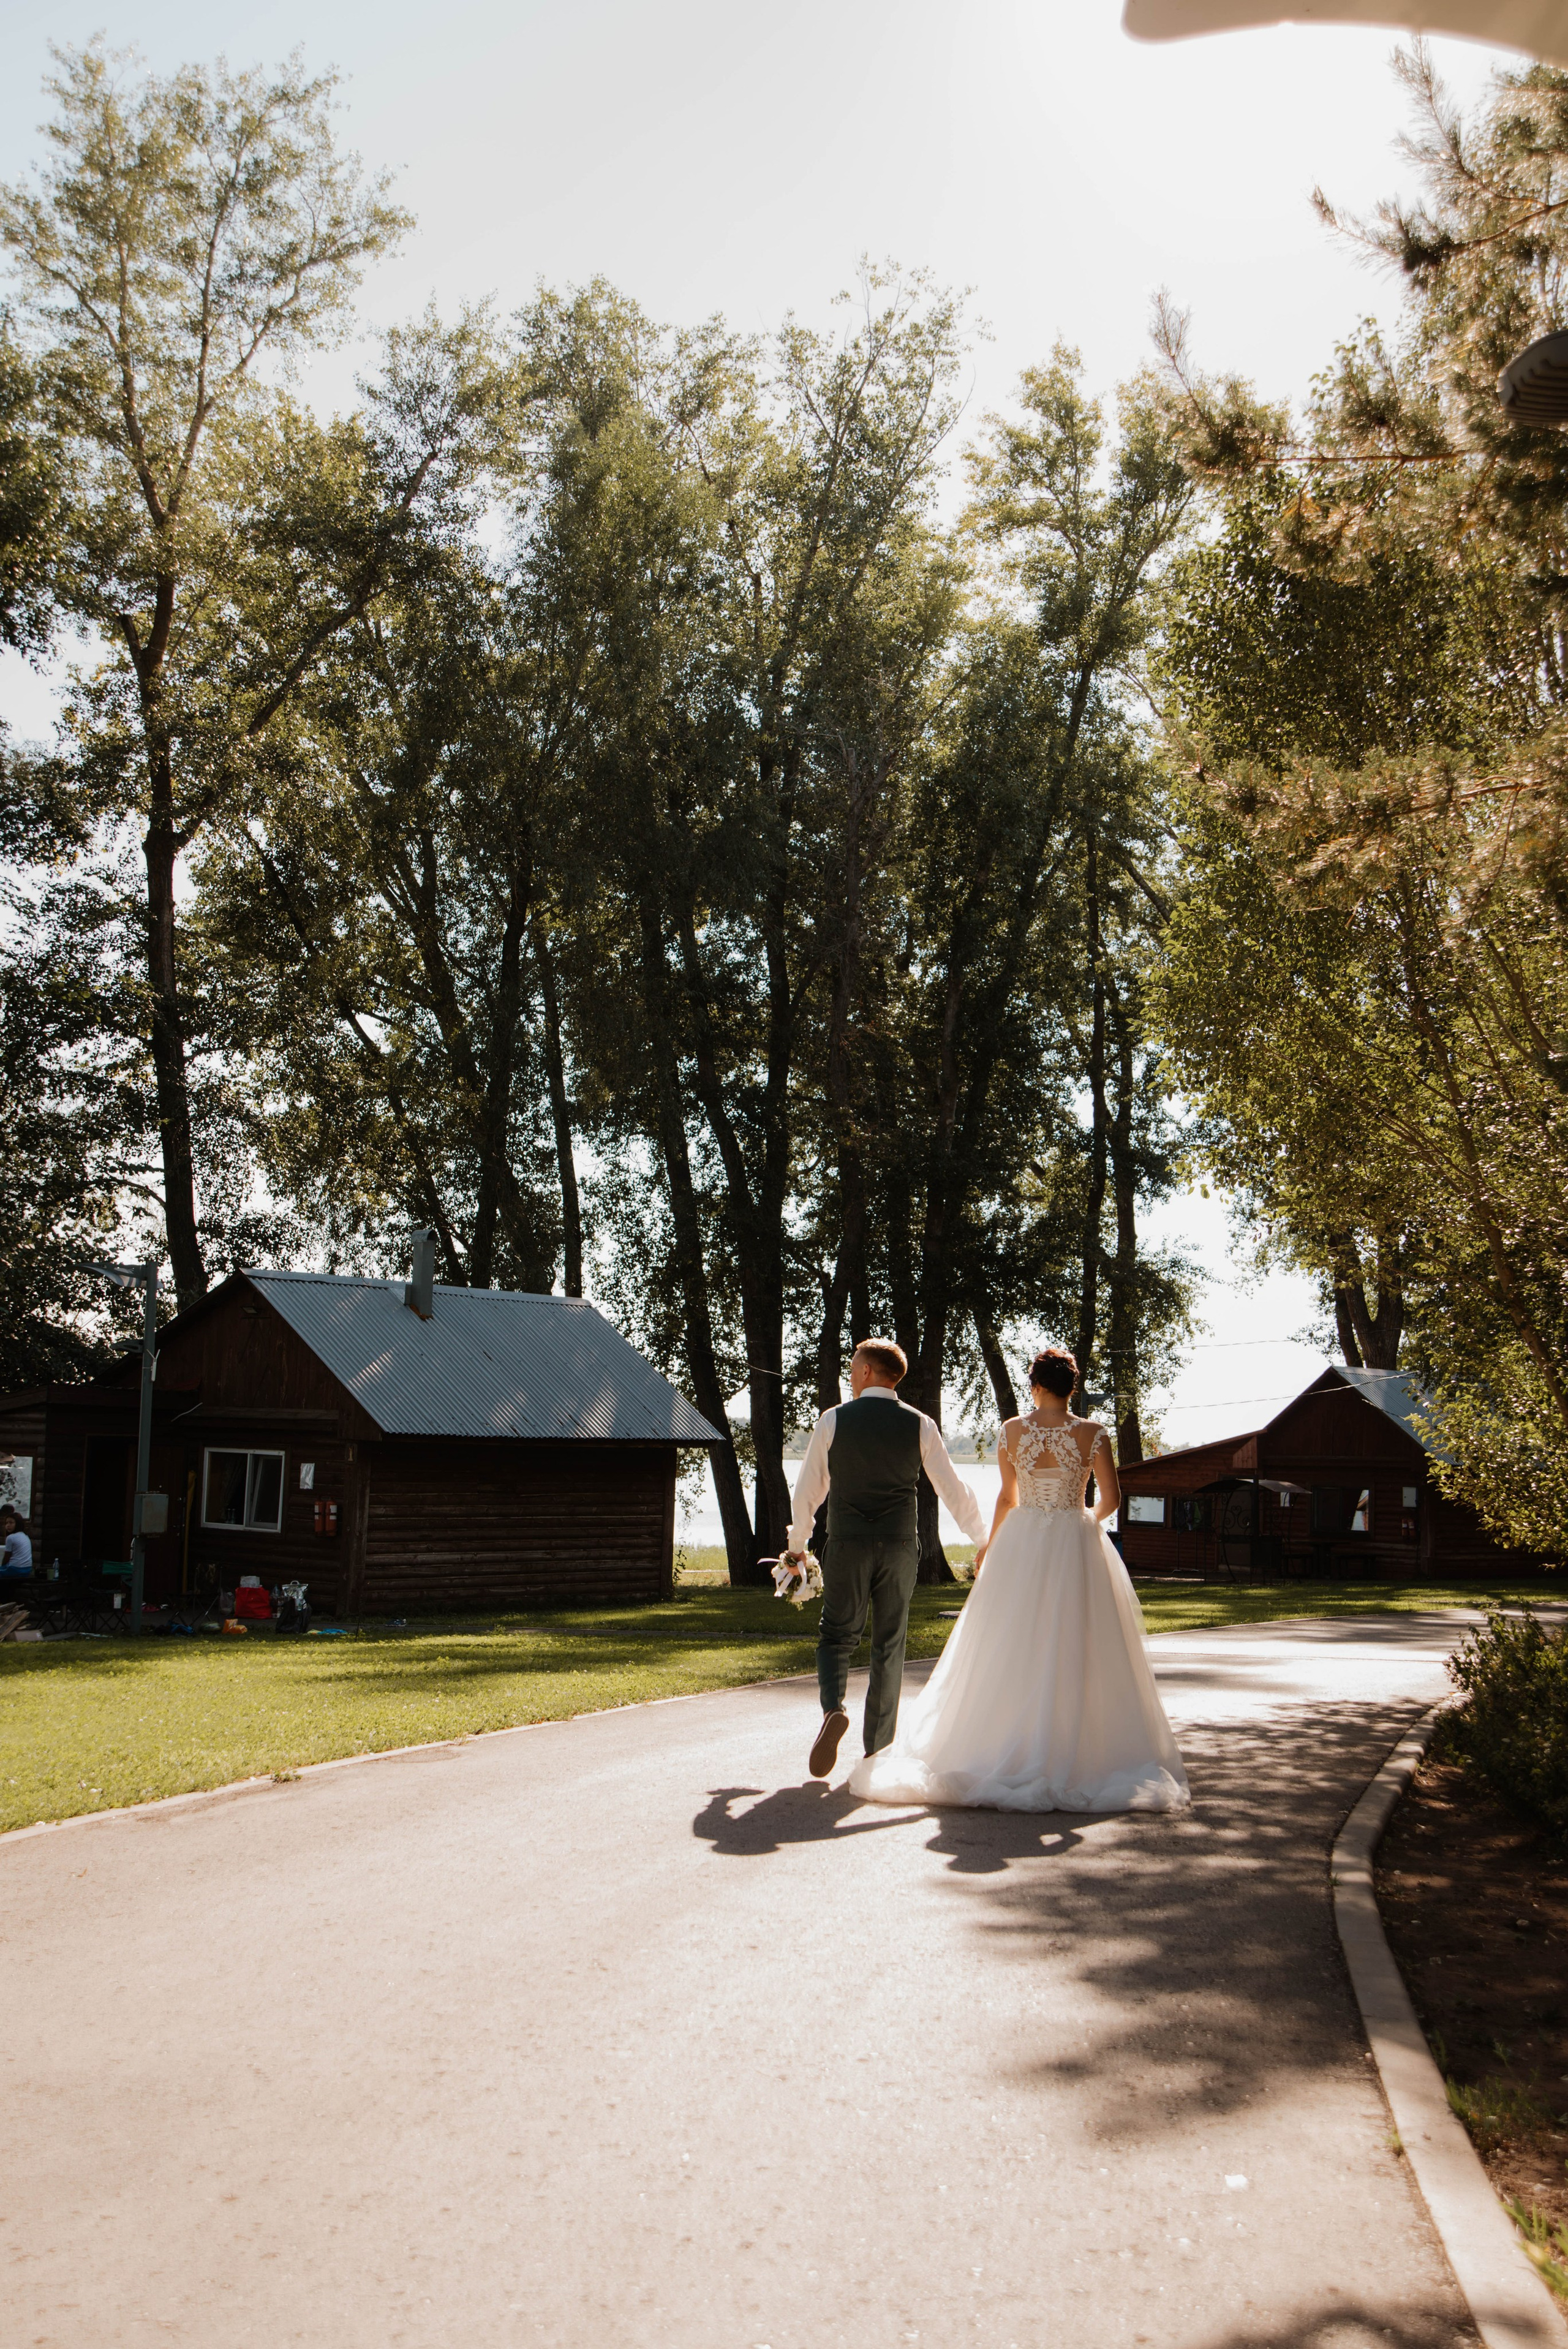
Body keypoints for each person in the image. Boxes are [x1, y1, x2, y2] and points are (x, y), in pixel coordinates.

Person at [849, 1345, 1189, 1814]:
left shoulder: (1012, 1430)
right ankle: (1069, 1745)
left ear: (1036, 1385)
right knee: (1078, 1642)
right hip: (1075, 1539)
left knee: (1010, 1640)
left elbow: (1008, 1499)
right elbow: (1111, 1499)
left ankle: (1008, 1739)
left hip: (1023, 1540)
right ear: (1071, 1389)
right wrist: (1083, 1519)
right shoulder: (1094, 1432)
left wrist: (989, 1544)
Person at [783, 1339, 986, 1781]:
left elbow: (809, 1490)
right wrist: (983, 1538)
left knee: (836, 1635)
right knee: (889, 1643)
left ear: (868, 1372)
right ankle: (877, 1752)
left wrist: (797, 1544)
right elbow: (953, 1489)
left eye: (855, 1367)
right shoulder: (921, 1424)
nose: (852, 1373)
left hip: (848, 1542)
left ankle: (834, 1707)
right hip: (898, 1545)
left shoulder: (834, 1419)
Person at [0, 1507, 34, 1578]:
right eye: (6, 1523)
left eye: (11, 1523)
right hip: (27, 1569)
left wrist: (2, 1566)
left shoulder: (11, 1538)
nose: (8, 1525)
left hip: (16, 1569)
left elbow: (7, 1558)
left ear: (18, 1524)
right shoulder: (25, 1536)